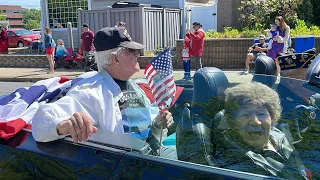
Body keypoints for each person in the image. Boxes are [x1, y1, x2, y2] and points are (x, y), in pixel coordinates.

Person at [32, 27, 175, 158]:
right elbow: (42, 120)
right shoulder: (91, 91)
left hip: (152, 154)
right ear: (115, 59)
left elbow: (146, 128)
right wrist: (62, 126)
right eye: (130, 51)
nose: (137, 53)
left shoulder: (133, 85)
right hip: (130, 164)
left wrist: (157, 123)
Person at [212, 82, 311, 179]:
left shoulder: (277, 134)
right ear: (232, 121)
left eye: (261, 114)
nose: (256, 122)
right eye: (245, 114)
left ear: (272, 117)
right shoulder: (235, 159)